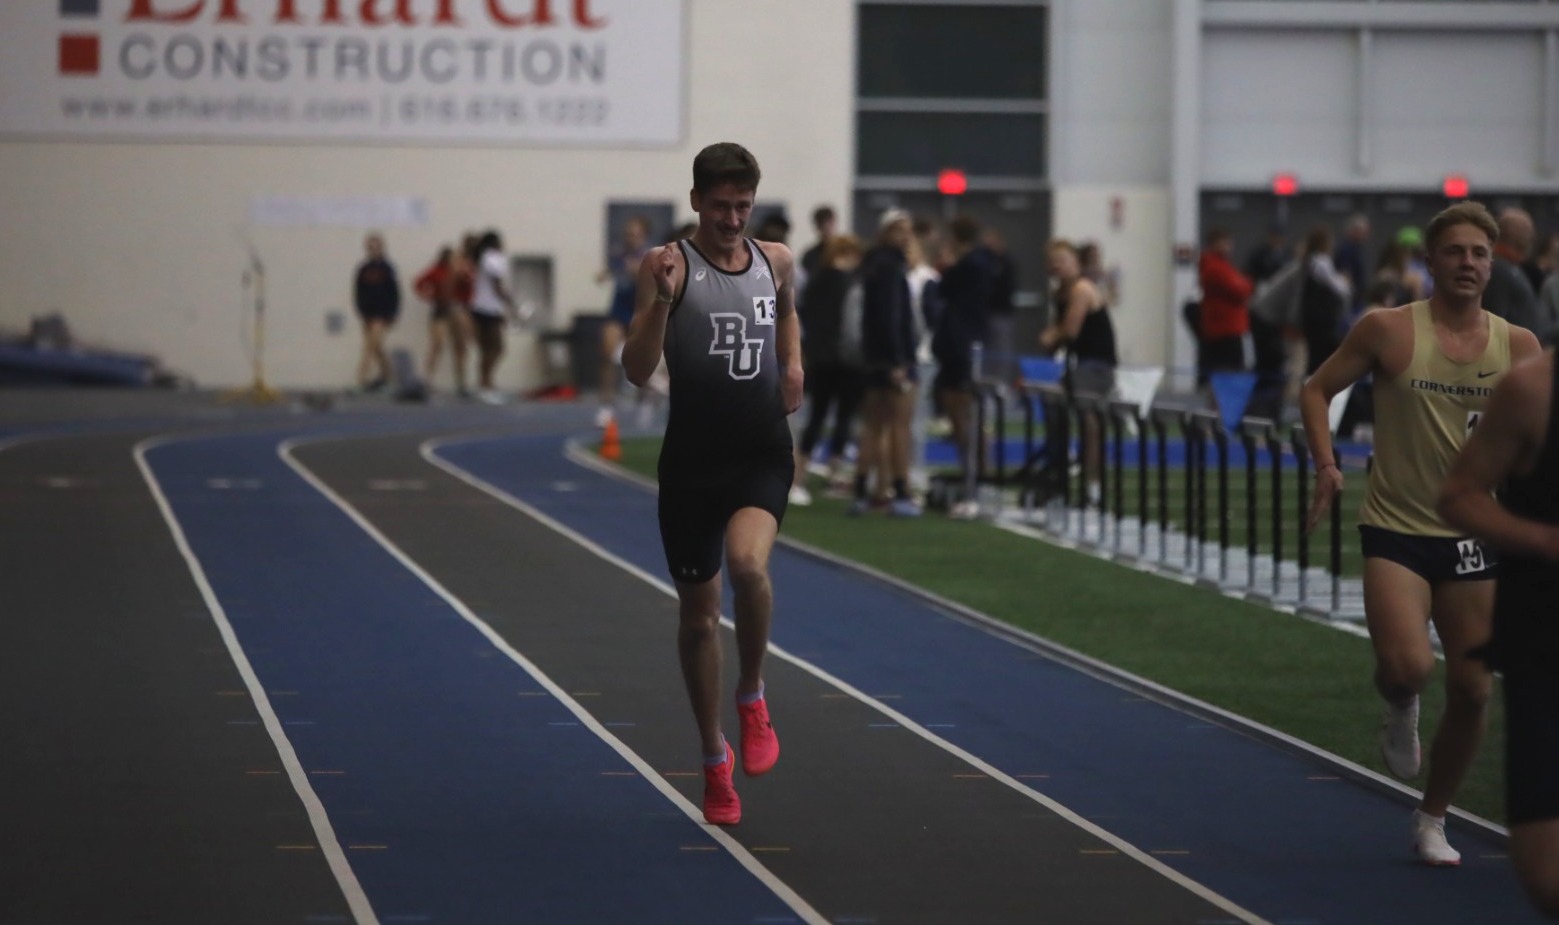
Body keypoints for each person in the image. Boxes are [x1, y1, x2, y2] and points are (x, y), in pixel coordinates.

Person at [1301, 201, 1543, 865]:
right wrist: (1326, 464)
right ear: (1430, 261)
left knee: (1472, 688)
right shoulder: (1386, 329)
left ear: (1491, 266)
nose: (1468, 262)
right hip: (1396, 527)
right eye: (1455, 251)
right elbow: (1315, 390)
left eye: (1479, 253)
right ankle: (1400, 696)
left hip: (1473, 541)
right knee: (1409, 664)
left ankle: (1432, 817)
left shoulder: (1515, 344)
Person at [620, 142, 802, 826]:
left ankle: (751, 695)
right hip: (692, 462)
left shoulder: (775, 259)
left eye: (743, 206)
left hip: (759, 449)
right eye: (721, 206)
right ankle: (711, 756)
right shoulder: (667, 265)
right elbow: (638, 368)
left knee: (748, 564)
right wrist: (663, 303)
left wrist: (792, 364)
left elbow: (786, 309)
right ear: (696, 200)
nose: (732, 219)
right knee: (698, 615)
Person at [1438, 345, 1559, 918]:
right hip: (1545, 644)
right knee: (1544, 875)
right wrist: (1543, 541)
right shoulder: (1533, 389)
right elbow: (1458, 495)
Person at [850, 208, 921, 517]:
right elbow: (892, 318)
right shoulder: (891, 268)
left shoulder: (873, 265)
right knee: (898, 426)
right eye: (900, 230)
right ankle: (901, 491)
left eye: (909, 230)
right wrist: (897, 360)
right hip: (892, 358)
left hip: (872, 357)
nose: (906, 237)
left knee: (873, 426)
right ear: (886, 233)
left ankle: (864, 489)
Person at [1040, 238, 1116, 506]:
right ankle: (1057, 473)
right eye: (1052, 262)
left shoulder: (1082, 289)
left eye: (1062, 261)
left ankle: (1092, 486)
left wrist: (1051, 337)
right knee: (1054, 410)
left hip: (1095, 365)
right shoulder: (1060, 292)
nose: (1056, 266)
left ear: (1076, 263)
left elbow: (1069, 330)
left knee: (1089, 422)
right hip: (1077, 363)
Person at [795, 233, 866, 496]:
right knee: (844, 418)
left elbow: (803, 316)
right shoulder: (851, 284)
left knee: (816, 417)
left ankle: (799, 476)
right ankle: (834, 474)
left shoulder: (815, 281)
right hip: (846, 359)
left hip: (819, 357)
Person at [596, 215, 653, 426]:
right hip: (618, 310)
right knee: (607, 352)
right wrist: (604, 274)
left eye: (635, 234)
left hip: (640, 310)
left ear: (644, 236)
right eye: (628, 234)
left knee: (644, 360)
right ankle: (606, 407)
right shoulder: (619, 255)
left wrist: (637, 272)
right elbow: (607, 272)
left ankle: (644, 401)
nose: (630, 238)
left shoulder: (650, 256)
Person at [469, 229, 520, 404]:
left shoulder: (484, 258)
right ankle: (486, 385)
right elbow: (497, 285)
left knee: (487, 349)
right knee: (496, 348)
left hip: (481, 307)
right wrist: (510, 303)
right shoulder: (492, 258)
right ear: (495, 243)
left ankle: (485, 384)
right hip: (488, 309)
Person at [414, 245, 471, 397]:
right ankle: (427, 379)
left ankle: (461, 382)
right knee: (437, 344)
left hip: (456, 309)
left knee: (460, 346)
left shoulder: (461, 272)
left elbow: (469, 289)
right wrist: (426, 295)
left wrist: (463, 275)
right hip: (440, 310)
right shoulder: (437, 271)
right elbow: (419, 282)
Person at [1197, 227, 1253, 378]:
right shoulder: (1214, 268)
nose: (1229, 246)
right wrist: (1246, 284)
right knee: (1227, 372)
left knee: (1232, 370)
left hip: (1229, 328)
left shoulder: (1223, 266)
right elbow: (1240, 290)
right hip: (1224, 329)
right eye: (1225, 242)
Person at [352, 233, 400, 392]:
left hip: (383, 313)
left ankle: (360, 378)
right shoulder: (363, 269)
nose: (373, 250)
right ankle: (388, 375)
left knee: (369, 346)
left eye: (376, 247)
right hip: (368, 313)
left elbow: (394, 292)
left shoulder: (387, 268)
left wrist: (393, 313)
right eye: (370, 247)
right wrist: (360, 309)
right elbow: (358, 291)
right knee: (377, 346)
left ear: (381, 248)